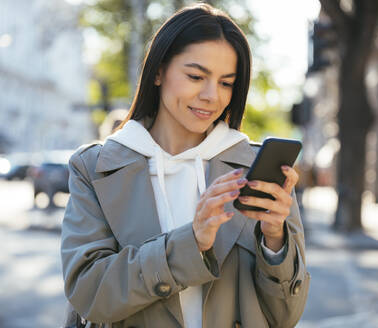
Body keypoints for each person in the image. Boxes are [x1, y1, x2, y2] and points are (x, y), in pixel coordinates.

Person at [61, 3, 309, 328]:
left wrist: (275, 241)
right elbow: (89, 294)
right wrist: (191, 244)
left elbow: (285, 316)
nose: (211, 95)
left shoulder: (253, 169)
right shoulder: (94, 168)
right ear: (159, 71)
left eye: (226, 83)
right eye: (196, 76)